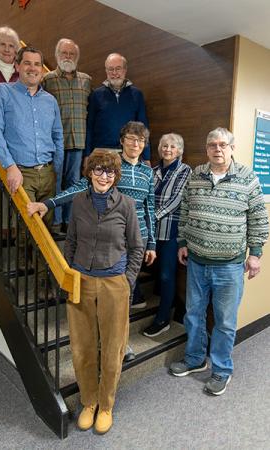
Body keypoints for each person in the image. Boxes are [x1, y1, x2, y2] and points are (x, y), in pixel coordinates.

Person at [29, 150, 144, 433]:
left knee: (113, 348)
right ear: (89, 172)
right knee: (82, 348)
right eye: (98, 170)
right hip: (81, 283)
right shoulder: (79, 202)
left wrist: (127, 281)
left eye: (109, 171)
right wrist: (68, 274)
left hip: (114, 283)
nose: (103, 176)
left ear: (116, 176)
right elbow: (70, 242)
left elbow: (137, 247)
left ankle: (105, 405)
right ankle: (88, 401)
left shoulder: (126, 204)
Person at [27, 121, 156, 358]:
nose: (135, 144)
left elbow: (150, 209)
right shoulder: (110, 166)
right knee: (100, 299)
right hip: (109, 241)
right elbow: (78, 189)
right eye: (130, 138)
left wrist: (152, 244)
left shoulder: (149, 173)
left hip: (137, 241)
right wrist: (48, 204)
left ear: (144, 145)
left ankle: (120, 343)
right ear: (122, 140)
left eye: (140, 140)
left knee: (124, 296)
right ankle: (98, 341)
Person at [169, 127, 269, 396]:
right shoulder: (196, 175)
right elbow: (185, 211)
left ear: (231, 148)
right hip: (197, 262)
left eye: (223, 144)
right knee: (193, 314)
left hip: (230, 265)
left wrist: (256, 254)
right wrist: (182, 243)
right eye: (212, 144)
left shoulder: (248, 178)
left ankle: (222, 370)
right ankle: (194, 360)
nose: (217, 149)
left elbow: (258, 218)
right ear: (207, 148)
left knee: (224, 321)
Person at [0, 46, 64, 293]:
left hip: (48, 172)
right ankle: (43, 281)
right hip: (21, 171)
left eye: (37, 64)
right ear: (17, 66)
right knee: (35, 226)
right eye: (27, 63)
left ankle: (22, 255)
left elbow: (58, 135)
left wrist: (57, 169)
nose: (32, 68)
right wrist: (9, 166)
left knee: (46, 224)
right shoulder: (2, 92)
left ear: (42, 69)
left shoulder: (50, 100)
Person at [143, 133, 191, 338]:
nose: (168, 149)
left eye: (173, 146)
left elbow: (176, 200)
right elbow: (145, 197)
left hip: (171, 231)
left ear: (179, 150)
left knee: (166, 275)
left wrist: (151, 216)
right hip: (150, 231)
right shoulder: (151, 171)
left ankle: (163, 319)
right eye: (164, 146)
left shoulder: (185, 170)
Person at [42, 38, 91, 231]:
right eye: (64, 53)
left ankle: (69, 222)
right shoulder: (48, 80)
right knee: (56, 182)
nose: (68, 57)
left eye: (72, 54)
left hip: (78, 141)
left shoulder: (86, 80)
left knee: (74, 183)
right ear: (57, 55)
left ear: (76, 57)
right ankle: (55, 222)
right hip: (56, 142)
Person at [84, 53, 151, 166]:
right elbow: (89, 127)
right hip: (101, 153)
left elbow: (143, 128)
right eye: (110, 69)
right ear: (106, 71)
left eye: (118, 69)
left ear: (125, 70)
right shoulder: (96, 95)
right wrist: (86, 155)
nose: (114, 73)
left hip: (129, 152)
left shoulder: (137, 94)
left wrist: (146, 156)